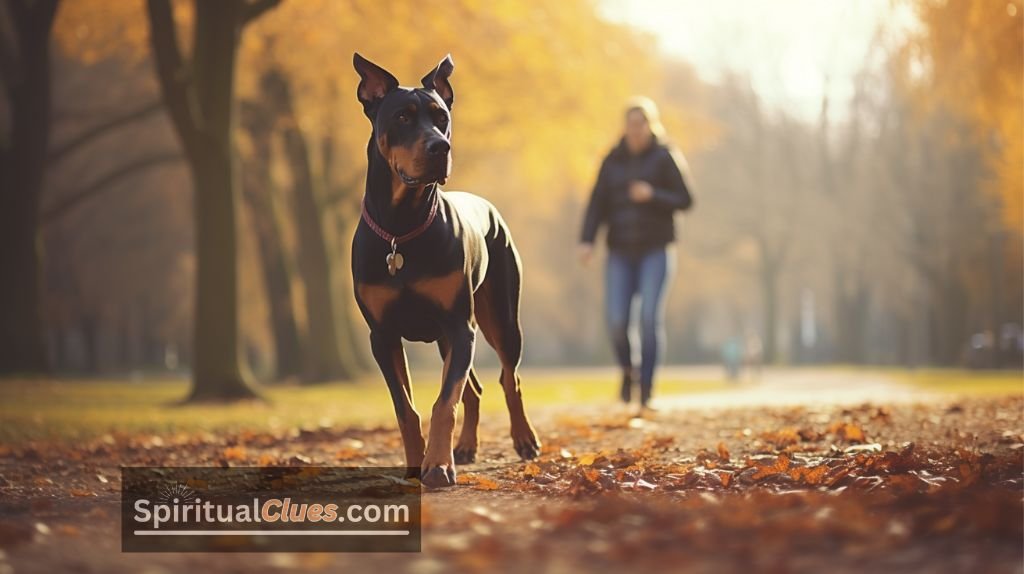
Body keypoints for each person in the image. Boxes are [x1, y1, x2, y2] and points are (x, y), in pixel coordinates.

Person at [579, 96, 694, 412]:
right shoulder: (612, 160)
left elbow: (686, 199)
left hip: (656, 250)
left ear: (651, 125)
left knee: (648, 318)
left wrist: (653, 194)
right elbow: (597, 204)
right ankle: (629, 371)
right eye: (631, 124)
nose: (636, 129)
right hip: (620, 251)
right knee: (616, 320)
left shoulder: (665, 156)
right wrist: (587, 240)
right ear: (625, 127)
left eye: (641, 123)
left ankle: (647, 389)